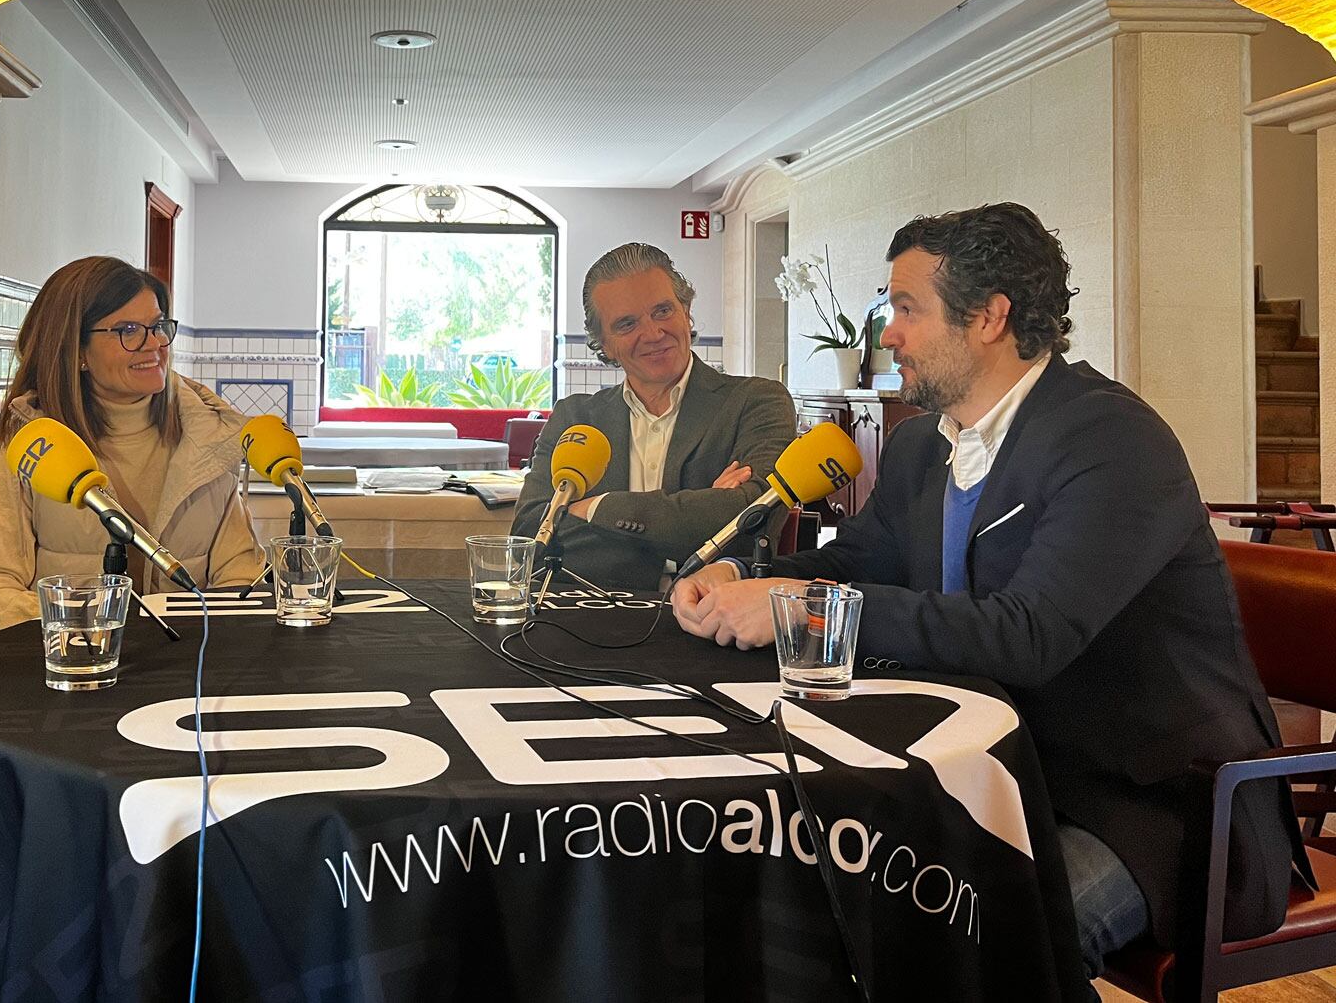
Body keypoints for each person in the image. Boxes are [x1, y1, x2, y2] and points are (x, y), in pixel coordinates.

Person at [672, 202, 1304, 976]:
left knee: (967, 945)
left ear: (990, 317)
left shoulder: (1112, 439)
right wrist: (745, 576)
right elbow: (856, 563)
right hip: (982, 770)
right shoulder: (917, 447)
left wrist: (792, 610)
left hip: (1146, 800)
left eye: (907, 309)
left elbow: (1028, 635)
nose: (888, 333)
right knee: (823, 904)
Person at [0, 255, 262, 633]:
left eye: (158, 326)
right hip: (70, 668)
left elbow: (242, 578)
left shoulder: (209, 437)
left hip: (186, 671)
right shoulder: (35, 442)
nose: (154, 345)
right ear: (78, 351)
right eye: (129, 330)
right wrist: (77, 632)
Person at [512, 242, 798, 591]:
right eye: (627, 323)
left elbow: (755, 520)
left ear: (686, 310)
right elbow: (531, 535)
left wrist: (593, 509)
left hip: (714, 620)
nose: (652, 333)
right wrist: (703, 511)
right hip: (589, 615)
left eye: (662, 311)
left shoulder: (757, 402)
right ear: (604, 343)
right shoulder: (575, 417)